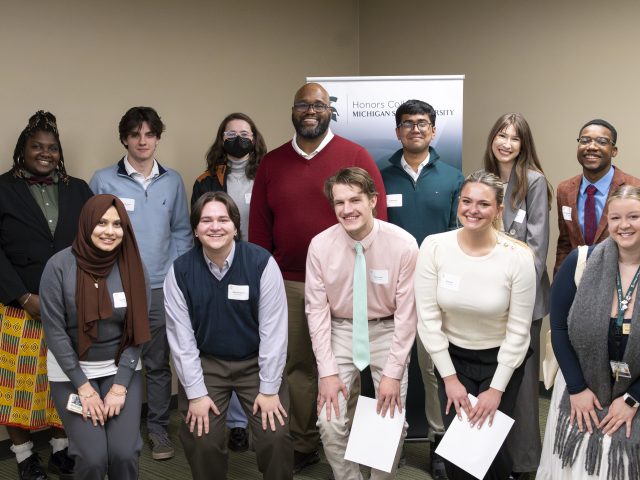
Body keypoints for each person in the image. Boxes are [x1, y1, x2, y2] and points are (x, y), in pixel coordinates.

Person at [249, 82, 388, 472]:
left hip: (346, 284)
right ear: (293, 111)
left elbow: (377, 222)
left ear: (331, 110)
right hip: (289, 282)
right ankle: (305, 440)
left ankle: (349, 446)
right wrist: (266, 279)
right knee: (298, 366)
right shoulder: (273, 163)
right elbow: (259, 231)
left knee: (349, 366)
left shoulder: (355, 155)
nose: (311, 111)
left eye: (319, 105)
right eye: (303, 105)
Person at [415, 170, 536, 479]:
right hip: (453, 359)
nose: (473, 210)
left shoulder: (518, 257)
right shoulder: (434, 247)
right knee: (459, 452)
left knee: (489, 448)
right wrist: (450, 379)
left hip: (501, 362)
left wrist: (497, 389)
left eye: (483, 204)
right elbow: (428, 320)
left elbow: (519, 331)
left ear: (498, 209)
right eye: (466, 201)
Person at [164, 191, 292, 479]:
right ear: (195, 229)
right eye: (206, 220)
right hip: (207, 364)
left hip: (256, 363)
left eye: (223, 219)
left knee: (275, 435)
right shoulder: (180, 272)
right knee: (202, 436)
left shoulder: (262, 263)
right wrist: (195, 394)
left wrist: (270, 389)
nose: (215, 226)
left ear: (236, 224)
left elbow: (274, 332)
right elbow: (181, 340)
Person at [89, 106, 192, 460]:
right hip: (117, 287)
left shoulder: (173, 181)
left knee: (158, 363)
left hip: (160, 288)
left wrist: (175, 278)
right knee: (117, 360)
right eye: (135, 135)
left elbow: (181, 231)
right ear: (125, 139)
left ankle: (159, 430)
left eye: (149, 134)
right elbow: (92, 234)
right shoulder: (103, 180)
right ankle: (121, 431)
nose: (143, 141)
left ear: (158, 137)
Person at [306, 167, 417, 480]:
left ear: (373, 200)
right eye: (339, 202)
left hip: (388, 330)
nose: (347, 209)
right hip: (340, 330)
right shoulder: (320, 246)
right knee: (329, 420)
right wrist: (326, 371)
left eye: (355, 200)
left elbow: (408, 315)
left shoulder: (404, 245)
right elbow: (316, 311)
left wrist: (393, 373)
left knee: (391, 419)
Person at [0, 111, 92, 480]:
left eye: (52, 148)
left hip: (70, 305)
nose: (45, 153)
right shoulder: (3, 188)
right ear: (23, 150)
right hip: (18, 305)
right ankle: (24, 456)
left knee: (67, 377)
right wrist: (23, 296)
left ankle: (60, 448)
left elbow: (94, 241)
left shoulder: (79, 188)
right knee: (16, 384)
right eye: (36, 146)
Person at [39, 194, 150, 480]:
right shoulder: (59, 266)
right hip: (71, 373)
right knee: (92, 457)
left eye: (117, 224)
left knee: (124, 453)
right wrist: (83, 388)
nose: (109, 231)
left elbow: (137, 331)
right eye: (101, 222)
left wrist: (120, 387)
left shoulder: (134, 267)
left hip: (121, 369)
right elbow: (55, 332)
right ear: (87, 223)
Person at [381, 99, 463, 479]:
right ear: (398, 131)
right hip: (389, 291)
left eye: (423, 123)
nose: (415, 128)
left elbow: (458, 234)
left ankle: (439, 442)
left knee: (433, 369)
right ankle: (388, 443)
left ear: (433, 130)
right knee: (387, 368)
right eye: (408, 123)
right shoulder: (379, 176)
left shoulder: (452, 177)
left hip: (435, 291)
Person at [538, 185, 640, 480]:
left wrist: (633, 399)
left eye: (634, 216)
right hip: (579, 387)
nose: (624, 226)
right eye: (616, 218)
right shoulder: (580, 262)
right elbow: (558, 328)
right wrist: (577, 389)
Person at [191, 113, 267, 450]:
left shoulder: (267, 174)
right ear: (221, 139)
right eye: (230, 133)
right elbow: (198, 224)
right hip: (220, 266)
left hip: (259, 266)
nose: (238, 138)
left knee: (260, 339)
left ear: (255, 137)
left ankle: (260, 411)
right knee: (229, 340)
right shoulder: (206, 180)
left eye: (244, 132)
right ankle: (236, 423)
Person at [482, 113, 553, 478]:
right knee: (492, 382)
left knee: (523, 387)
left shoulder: (535, 182)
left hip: (522, 301)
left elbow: (536, 247)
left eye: (514, 138)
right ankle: (494, 459)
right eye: (501, 135)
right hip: (486, 302)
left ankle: (525, 464)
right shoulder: (483, 181)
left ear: (524, 145)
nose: (506, 143)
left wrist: (512, 295)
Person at [555, 118, 640, 274]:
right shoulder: (565, 190)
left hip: (620, 277)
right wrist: (559, 283)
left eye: (601, 142)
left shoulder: (634, 188)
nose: (591, 147)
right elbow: (565, 244)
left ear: (614, 150)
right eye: (585, 140)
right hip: (576, 279)